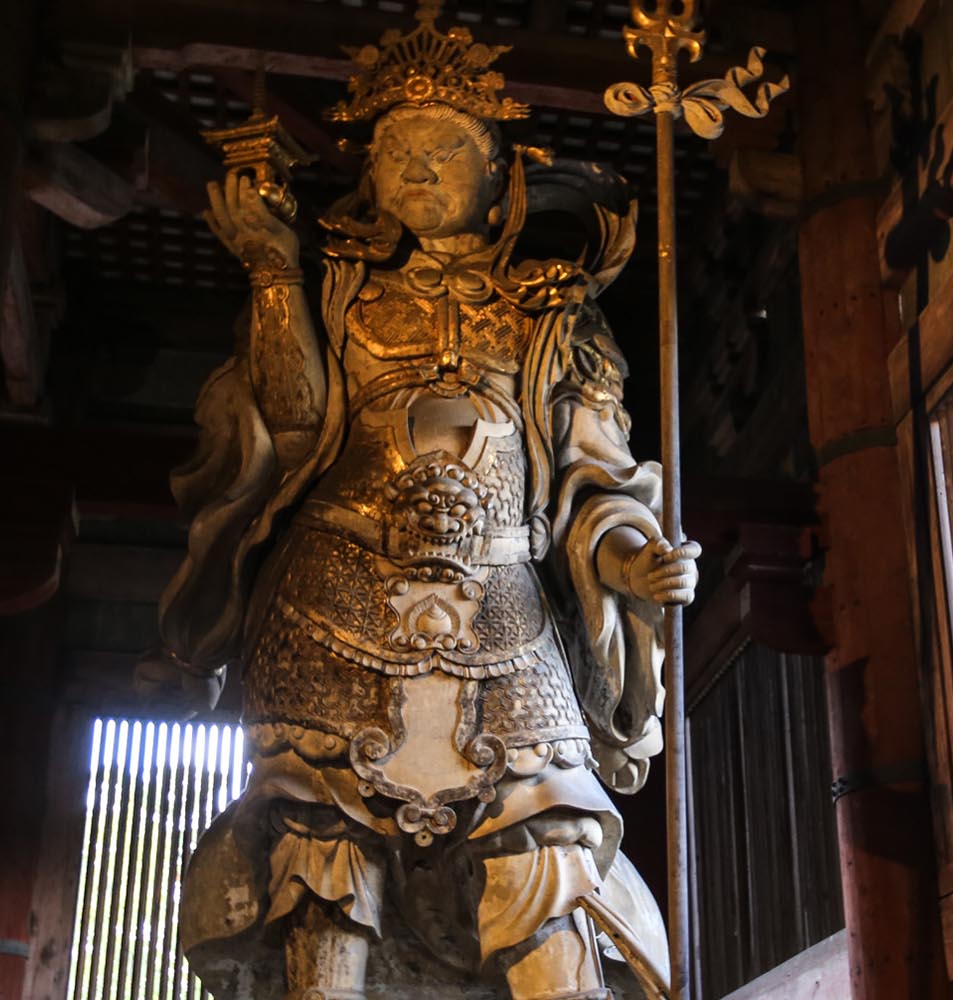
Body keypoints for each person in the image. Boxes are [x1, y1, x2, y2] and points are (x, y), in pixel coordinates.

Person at [136, 7, 695, 997]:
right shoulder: (337, 291)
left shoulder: (554, 314)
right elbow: (297, 427)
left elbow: (593, 481)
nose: (422, 173)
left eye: (444, 150)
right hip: (335, 585)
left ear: (498, 175)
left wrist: (631, 560)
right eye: (398, 155)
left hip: (502, 599)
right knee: (321, 857)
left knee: (548, 842)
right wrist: (271, 269)